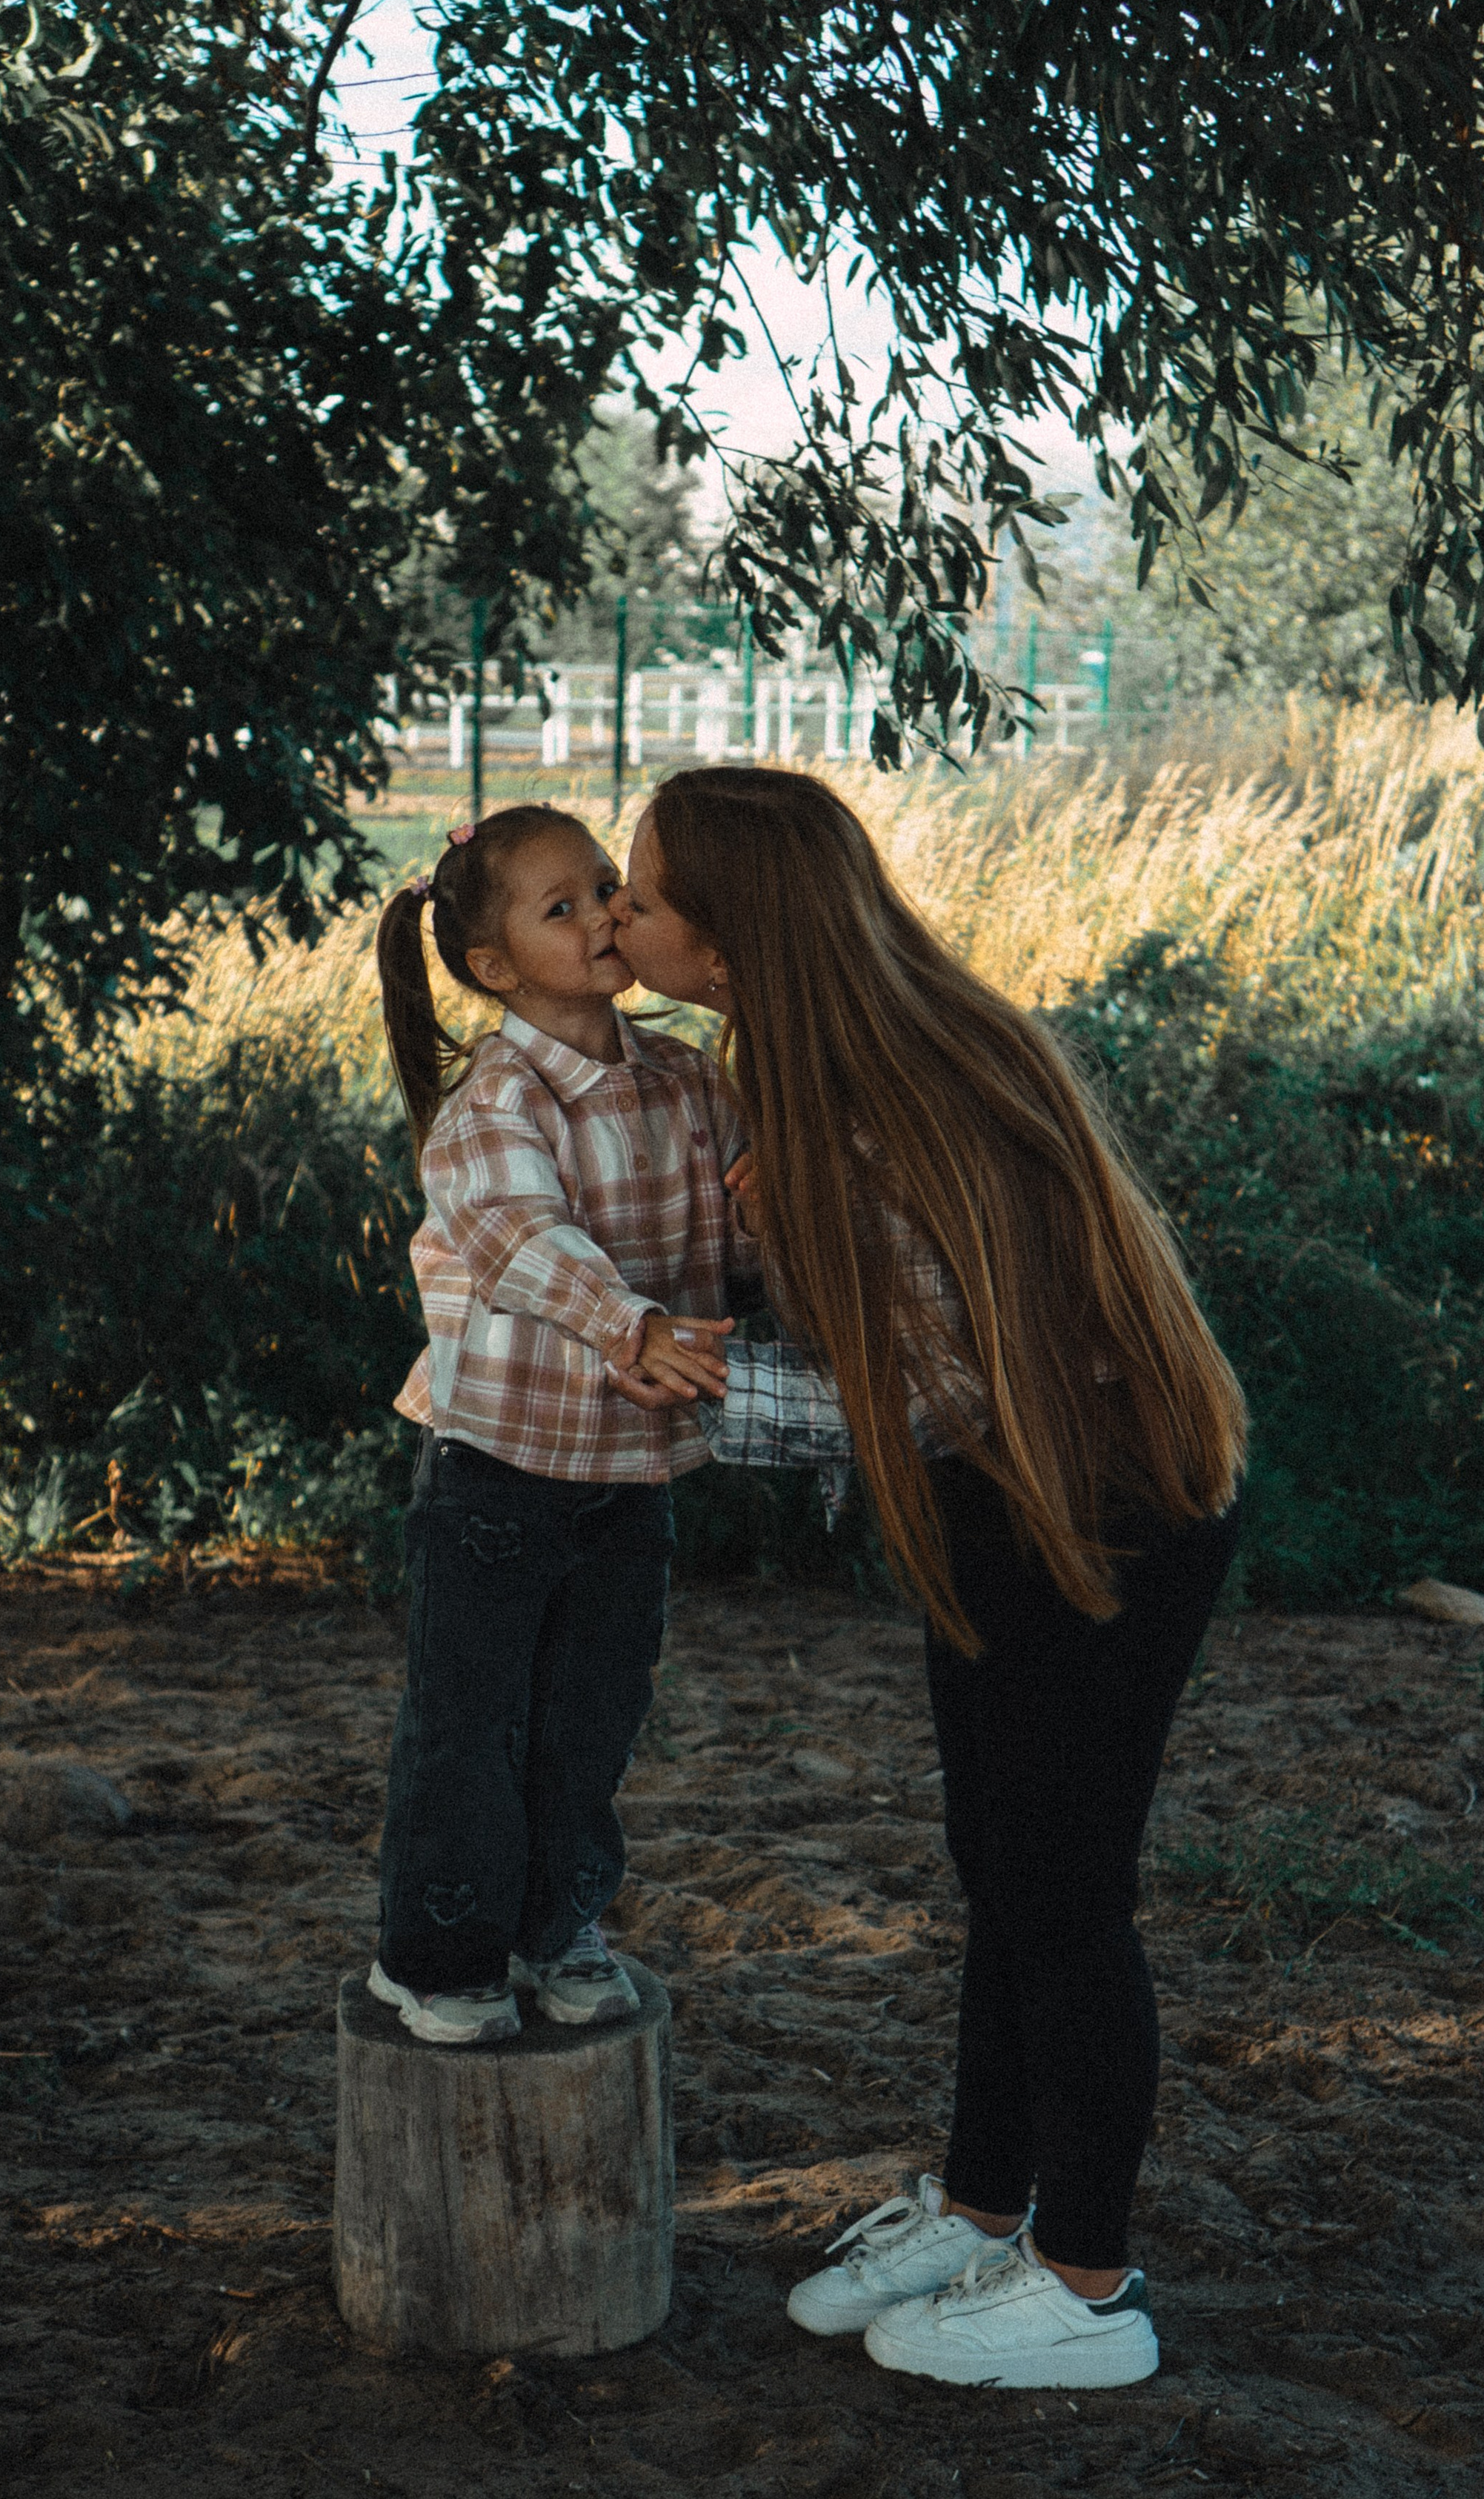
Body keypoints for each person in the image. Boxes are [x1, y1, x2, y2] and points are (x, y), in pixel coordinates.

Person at [610, 766, 1245, 2392]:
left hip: (1098, 1504)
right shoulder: (829, 1064)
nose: (618, 919)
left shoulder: (882, 1109)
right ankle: (983, 2206)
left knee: (1060, 1886)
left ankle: (1087, 2284)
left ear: (736, 938)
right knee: (998, 1859)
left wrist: (684, 1382)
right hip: (1004, 1496)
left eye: (642, 895)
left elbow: (923, 1397)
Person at [368, 802, 751, 2046]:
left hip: (629, 1473)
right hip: (497, 1470)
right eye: (564, 906)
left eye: (606, 888)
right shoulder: (497, 1102)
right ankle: (436, 1956)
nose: (605, 916)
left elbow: (742, 1227)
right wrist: (632, 1326)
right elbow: (524, 1237)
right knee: (470, 1725)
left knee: (592, 1717)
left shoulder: (687, 1076)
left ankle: (558, 1929)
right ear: (493, 967)